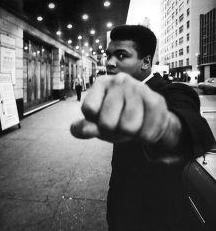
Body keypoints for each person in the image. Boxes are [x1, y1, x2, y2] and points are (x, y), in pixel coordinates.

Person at [70, 25, 215, 231]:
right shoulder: (119, 94)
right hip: (120, 211)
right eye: (108, 55)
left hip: (159, 219)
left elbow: (190, 125)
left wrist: (160, 128)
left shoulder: (173, 92)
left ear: (146, 62)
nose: (109, 63)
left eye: (121, 55)